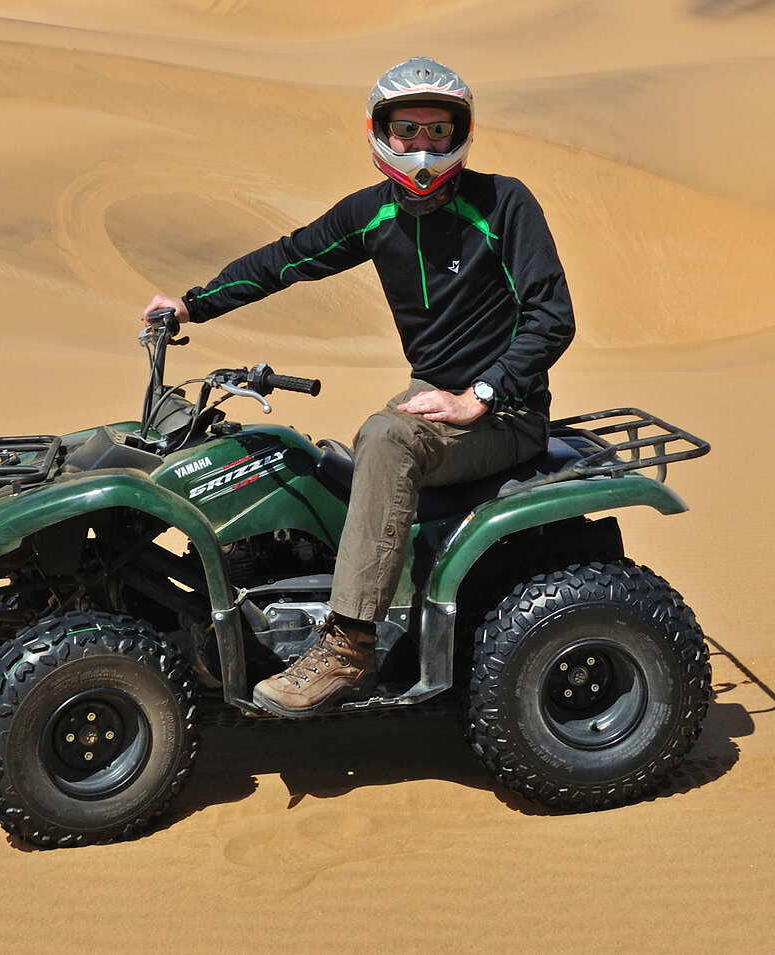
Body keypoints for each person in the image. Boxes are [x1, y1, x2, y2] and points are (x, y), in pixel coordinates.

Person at [140, 57, 575, 717]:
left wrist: (479, 395)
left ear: (461, 132)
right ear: (381, 133)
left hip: (504, 414)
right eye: (408, 129)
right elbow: (287, 258)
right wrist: (193, 305)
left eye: (437, 129)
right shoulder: (374, 215)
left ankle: (347, 644)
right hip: (436, 402)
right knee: (311, 467)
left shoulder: (503, 203)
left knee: (387, 436)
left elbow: (552, 318)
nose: (422, 145)